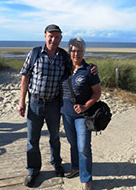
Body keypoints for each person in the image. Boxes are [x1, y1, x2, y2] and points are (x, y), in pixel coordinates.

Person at [18, 24, 97, 187]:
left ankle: (57, 164)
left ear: (60, 39)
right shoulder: (34, 53)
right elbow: (25, 78)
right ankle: (33, 170)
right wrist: (21, 102)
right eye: (50, 36)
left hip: (54, 104)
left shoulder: (63, 56)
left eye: (57, 37)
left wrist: (92, 67)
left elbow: (78, 61)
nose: (53, 39)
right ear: (45, 36)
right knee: (32, 139)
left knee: (55, 137)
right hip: (34, 103)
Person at [61, 38, 101, 190]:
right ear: (69, 52)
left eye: (79, 50)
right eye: (73, 50)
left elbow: (97, 93)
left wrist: (85, 106)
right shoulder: (64, 67)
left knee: (83, 146)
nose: (76, 53)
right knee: (72, 143)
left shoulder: (89, 70)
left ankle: (86, 178)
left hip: (82, 116)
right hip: (66, 113)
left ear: (84, 52)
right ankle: (75, 167)